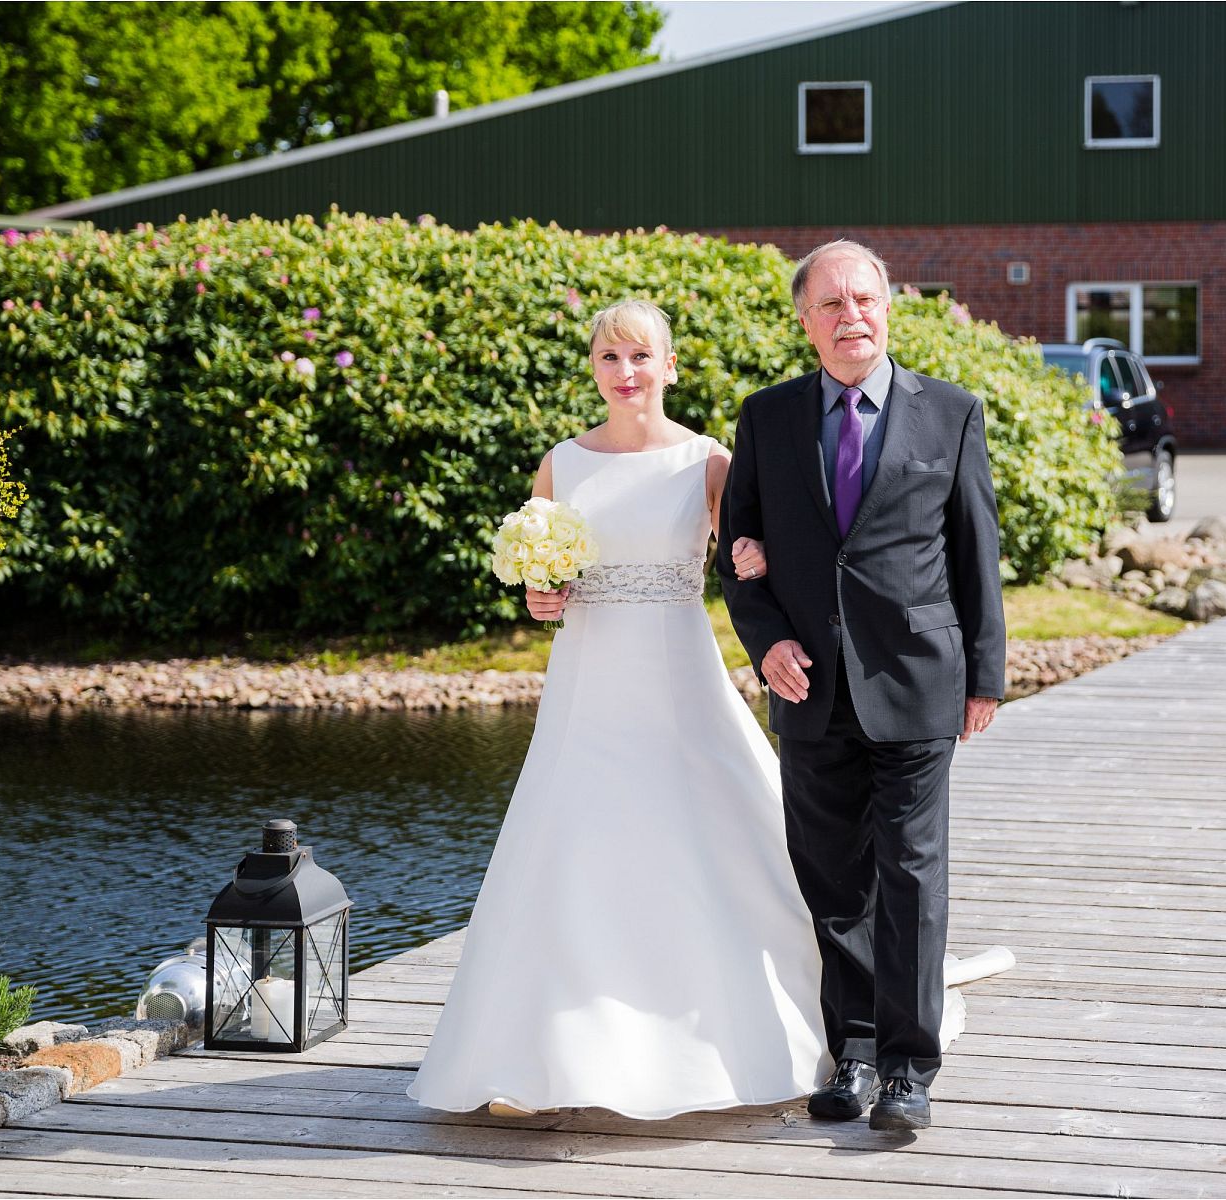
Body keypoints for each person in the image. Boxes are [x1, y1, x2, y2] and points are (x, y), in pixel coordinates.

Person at [406, 299, 835, 1118]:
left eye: (642, 357)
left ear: (670, 367)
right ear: (594, 368)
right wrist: (541, 592)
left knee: (707, 837)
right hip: (588, 682)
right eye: (610, 358)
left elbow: (759, 559)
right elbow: (547, 578)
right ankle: (544, 1052)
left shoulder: (708, 463)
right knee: (572, 845)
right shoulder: (560, 465)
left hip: (677, 678)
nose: (626, 373)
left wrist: (753, 554)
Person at [716, 241, 1007, 1132]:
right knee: (833, 878)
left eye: (866, 300)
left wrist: (985, 673)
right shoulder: (765, 420)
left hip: (918, 678)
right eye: (832, 304)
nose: (853, 317)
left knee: (912, 876)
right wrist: (764, 643)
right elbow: (741, 556)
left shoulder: (950, 413)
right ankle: (854, 1051)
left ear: (889, 308)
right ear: (805, 320)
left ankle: (912, 1066)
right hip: (810, 688)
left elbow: (976, 553)